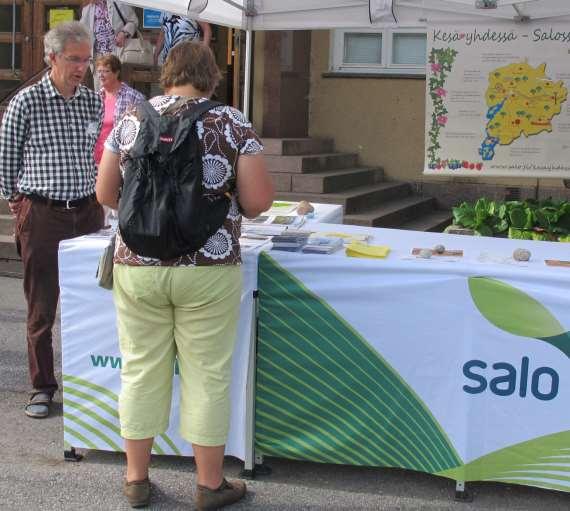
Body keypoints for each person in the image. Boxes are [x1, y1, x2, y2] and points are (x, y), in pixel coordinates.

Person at [96, 40, 274, 509]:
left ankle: (136, 481)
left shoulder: (133, 116)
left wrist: (152, 220)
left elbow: (105, 192)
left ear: (166, 73)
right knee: (207, 376)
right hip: (208, 267)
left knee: (139, 370)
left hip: (137, 263)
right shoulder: (231, 122)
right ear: (210, 76)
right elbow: (257, 203)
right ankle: (209, 485)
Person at [0, 21, 105, 419]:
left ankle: (91, 381)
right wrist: (19, 205)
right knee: (42, 306)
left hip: (87, 210)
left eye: (86, 60)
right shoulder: (25, 103)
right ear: (51, 58)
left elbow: (94, 154)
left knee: (95, 299)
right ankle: (42, 387)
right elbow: (6, 165)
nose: (82, 67)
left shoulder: (91, 102)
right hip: (43, 212)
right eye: (74, 59)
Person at [93, 54, 145, 166]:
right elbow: (91, 128)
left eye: (105, 71)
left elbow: (143, 131)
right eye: (99, 71)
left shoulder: (134, 97)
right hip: (94, 160)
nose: (101, 75)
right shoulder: (96, 98)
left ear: (116, 73)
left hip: (119, 161)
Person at [80, 0, 139, 89]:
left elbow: (133, 21)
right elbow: (81, 31)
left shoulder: (118, 3)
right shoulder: (87, 9)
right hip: (98, 56)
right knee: (100, 90)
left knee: (118, 88)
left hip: (118, 53)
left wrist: (124, 33)